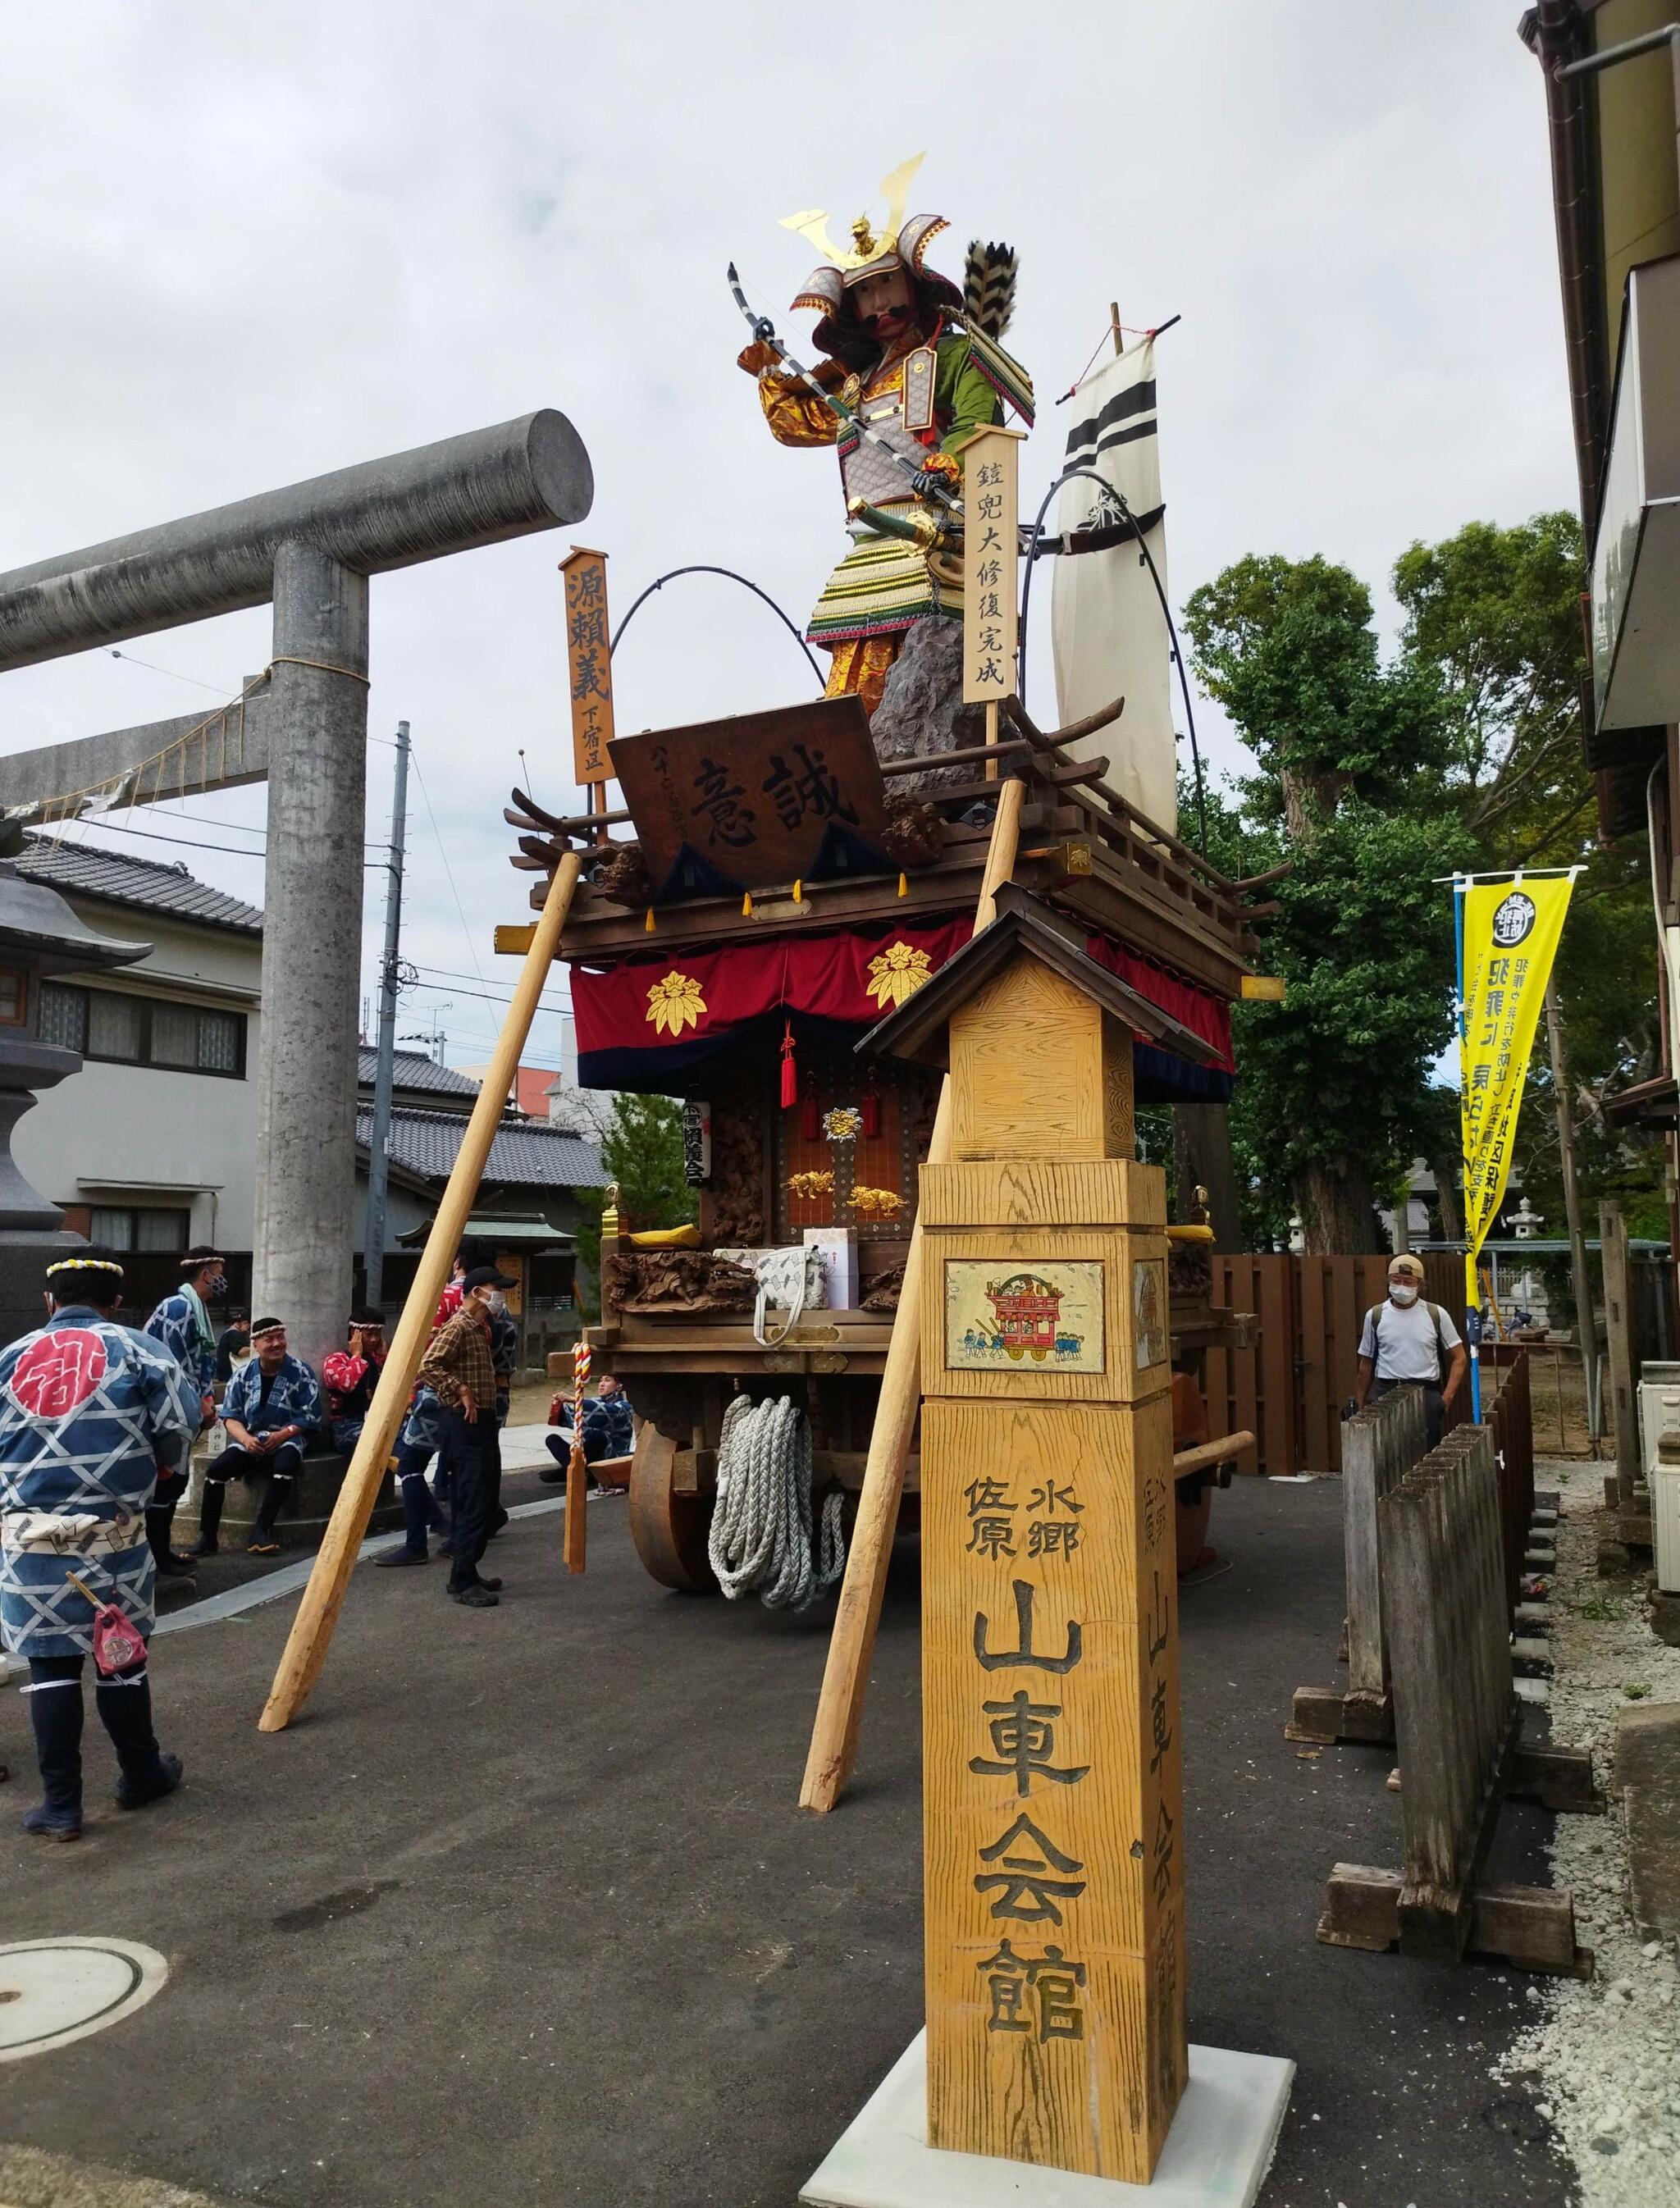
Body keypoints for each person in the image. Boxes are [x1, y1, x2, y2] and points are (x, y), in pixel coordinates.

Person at [741, 170, 1032, 714]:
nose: (877, 303)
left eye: (885, 284)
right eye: (864, 293)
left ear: (911, 284)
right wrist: (769, 365)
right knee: (853, 664)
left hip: (934, 538)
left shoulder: (953, 354)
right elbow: (796, 422)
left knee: (920, 668)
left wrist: (946, 466)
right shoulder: (853, 382)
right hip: (866, 544)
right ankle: (851, 763)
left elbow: (978, 422)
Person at [0, 1248, 199, 1840]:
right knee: (120, 1658)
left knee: (50, 1668)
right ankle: (140, 1773)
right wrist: (166, 1469)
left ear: (49, 1302)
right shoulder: (141, 1349)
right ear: (116, 1303)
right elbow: (179, 1428)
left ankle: (62, 1805)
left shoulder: (8, 1357)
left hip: (28, 1542)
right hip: (115, 1538)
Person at [416, 1266, 514, 1608]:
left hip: (479, 1422)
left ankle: (468, 1571)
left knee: (479, 1496)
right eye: (495, 1288)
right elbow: (428, 1364)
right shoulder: (458, 1326)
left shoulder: (480, 1327)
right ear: (476, 1292)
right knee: (474, 1496)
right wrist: (459, 1389)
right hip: (464, 1423)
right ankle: (462, 1579)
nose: (500, 1295)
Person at [194, 1318, 322, 1557]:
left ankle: (261, 1530)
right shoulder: (243, 1375)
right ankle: (208, 1537)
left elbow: (311, 1414)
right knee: (216, 1471)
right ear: (255, 1343)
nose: (277, 1344)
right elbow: (230, 1416)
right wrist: (245, 1440)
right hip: (251, 1437)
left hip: (288, 1436)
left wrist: (284, 1434)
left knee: (286, 1465)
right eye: (269, 1339)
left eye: (280, 1337)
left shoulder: (300, 1371)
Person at [142, 1245, 226, 1577]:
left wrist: (205, 1399)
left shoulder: (196, 1307)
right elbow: (171, 1364)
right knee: (166, 1480)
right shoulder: (178, 1307)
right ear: (205, 1273)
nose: (222, 1281)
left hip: (188, 1404)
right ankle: (157, 1556)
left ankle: (163, 1552)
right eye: (219, 1273)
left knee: (176, 1481)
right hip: (170, 1409)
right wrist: (199, 1400)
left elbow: (199, 1363)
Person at [1354, 1255, 1468, 1447]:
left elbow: (1460, 1357)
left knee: (1423, 1450)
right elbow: (1366, 1363)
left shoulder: (1436, 1314)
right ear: (1388, 1281)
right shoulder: (1375, 1315)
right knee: (1384, 1450)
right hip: (1385, 1390)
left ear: (1419, 1285)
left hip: (1425, 1392)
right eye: (1396, 1281)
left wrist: (1446, 1398)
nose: (1401, 1287)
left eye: (1408, 1282)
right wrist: (1360, 1402)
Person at [543, 1373, 634, 1485]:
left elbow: (606, 1411)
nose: (601, 1384)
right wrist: (560, 1406)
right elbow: (574, 1419)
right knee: (552, 1439)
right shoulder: (595, 1401)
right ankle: (581, 1471)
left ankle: (571, 1471)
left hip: (611, 1455)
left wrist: (575, 1400)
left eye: (607, 1380)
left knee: (597, 1436)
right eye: (600, 1381)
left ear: (619, 1386)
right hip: (587, 1454)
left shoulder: (625, 1406)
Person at [322, 1309, 387, 1453]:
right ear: (354, 1333)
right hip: (345, 1425)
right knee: (371, 1443)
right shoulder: (335, 1360)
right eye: (369, 1334)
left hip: (374, 1421)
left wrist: (384, 1359)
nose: (374, 1339)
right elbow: (347, 1385)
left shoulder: (377, 1360)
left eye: (377, 1334)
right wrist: (357, 1355)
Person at [214, 1309, 251, 1385]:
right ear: (245, 1323)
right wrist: (257, 1349)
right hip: (231, 1375)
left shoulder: (228, 1334)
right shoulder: (234, 1335)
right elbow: (241, 1352)